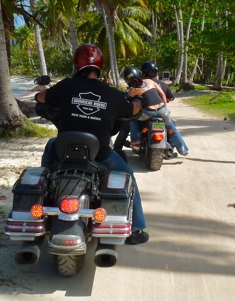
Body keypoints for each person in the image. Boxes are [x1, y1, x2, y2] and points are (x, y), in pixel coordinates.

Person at [35, 44, 149, 245]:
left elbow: (42, 98)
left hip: (64, 150)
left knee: (50, 146)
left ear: (76, 65)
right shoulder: (112, 93)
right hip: (100, 153)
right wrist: (138, 97)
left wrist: (40, 92)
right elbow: (133, 110)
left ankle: (43, 187)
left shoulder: (65, 85)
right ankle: (137, 228)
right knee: (128, 175)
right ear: (100, 67)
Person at [123, 66, 189, 156]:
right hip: (162, 111)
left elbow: (128, 100)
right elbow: (162, 94)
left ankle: (136, 142)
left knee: (133, 119)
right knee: (172, 129)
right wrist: (166, 108)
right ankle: (184, 151)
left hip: (149, 113)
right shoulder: (150, 81)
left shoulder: (133, 90)